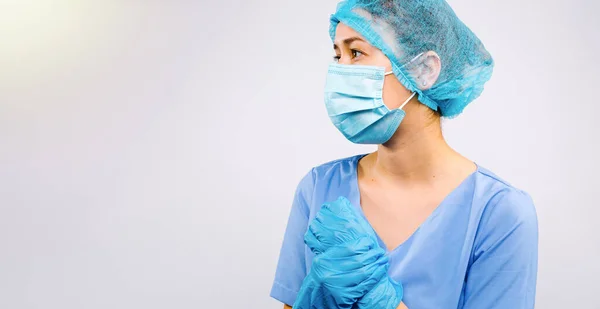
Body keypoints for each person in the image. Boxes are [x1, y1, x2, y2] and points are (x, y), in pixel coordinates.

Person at [270, 0, 538, 308]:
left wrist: (375, 295)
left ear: (424, 70)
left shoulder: (498, 212)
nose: (339, 69)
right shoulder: (319, 187)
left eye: (355, 52)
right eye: (337, 54)